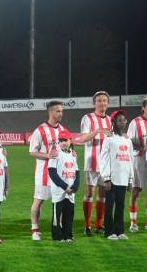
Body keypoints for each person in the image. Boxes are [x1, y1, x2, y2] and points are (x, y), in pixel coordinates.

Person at [28, 100, 70, 241]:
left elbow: (67, 148)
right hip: (43, 173)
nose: (61, 114)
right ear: (50, 112)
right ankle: (35, 229)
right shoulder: (40, 130)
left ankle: (60, 228)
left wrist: (72, 152)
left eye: (62, 111)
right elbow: (32, 152)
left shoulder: (63, 129)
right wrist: (47, 155)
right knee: (38, 201)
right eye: (58, 111)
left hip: (60, 174)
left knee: (61, 201)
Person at [79, 91, 112, 236]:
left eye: (104, 101)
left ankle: (99, 224)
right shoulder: (88, 118)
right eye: (99, 101)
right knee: (89, 192)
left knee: (103, 193)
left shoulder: (110, 120)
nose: (102, 103)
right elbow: (83, 139)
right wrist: (97, 131)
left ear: (108, 103)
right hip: (92, 161)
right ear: (95, 103)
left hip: (106, 163)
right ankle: (87, 225)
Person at [99, 110, 134, 240]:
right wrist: (106, 178)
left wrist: (131, 179)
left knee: (121, 205)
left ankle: (119, 231)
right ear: (113, 123)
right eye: (119, 120)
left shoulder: (127, 141)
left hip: (124, 179)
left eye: (124, 120)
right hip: (112, 179)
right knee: (109, 206)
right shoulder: (109, 139)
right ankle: (109, 231)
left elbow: (130, 160)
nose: (123, 122)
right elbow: (104, 159)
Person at [127, 97, 147, 232]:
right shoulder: (135, 122)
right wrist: (142, 148)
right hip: (138, 161)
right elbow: (128, 142)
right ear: (143, 108)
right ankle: (133, 222)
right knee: (136, 191)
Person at [46, 129, 79, 242]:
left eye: (65, 140)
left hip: (71, 192)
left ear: (70, 141)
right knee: (57, 214)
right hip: (59, 191)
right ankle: (57, 236)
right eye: (61, 140)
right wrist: (65, 186)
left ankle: (68, 235)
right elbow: (52, 173)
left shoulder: (73, 155)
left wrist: (75, 187)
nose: (63, 142)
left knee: (69, 214)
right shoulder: (55, 154)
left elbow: (77, 172)